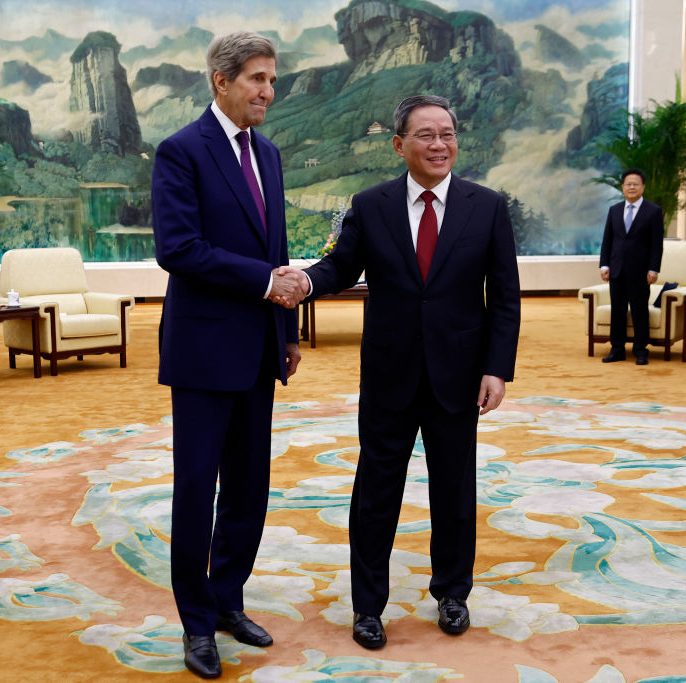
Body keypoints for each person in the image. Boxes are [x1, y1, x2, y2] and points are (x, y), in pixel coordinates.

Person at [282, 95, 520, 650]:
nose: (439, 145)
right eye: (426, 135)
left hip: (458, 374)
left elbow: (505, 296)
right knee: (376, 493)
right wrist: (305, 282)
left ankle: (453, 592)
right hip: (389, 373)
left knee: (454, 491)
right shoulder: (371, 205)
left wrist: (497, 368)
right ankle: (368, 606)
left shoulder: (487, 206)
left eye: (447, 134)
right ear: (399, 145)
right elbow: (341, 266)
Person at [151, 31, 305, 679]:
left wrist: (287, 329)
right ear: (221, 81)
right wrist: (267, 284)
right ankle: (195, 623)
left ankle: (226, 601)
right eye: (257, 79)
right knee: (196, 489)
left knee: (247, 488)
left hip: (259, 346)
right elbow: (178, 249)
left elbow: (276, 246)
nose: (268, 91)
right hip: (203, 349)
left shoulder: (267, 152)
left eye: (272, 80)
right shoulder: (181, 151)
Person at [598, 168, 664, 365]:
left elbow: (657, 244)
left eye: (636, 184)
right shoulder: (615, 210)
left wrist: (653, 268)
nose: (632, 187)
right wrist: (604, 265)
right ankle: (617, 349)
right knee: (617, 311)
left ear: (643, 187)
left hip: (640, 271)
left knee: (639, 311)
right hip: (617, 269)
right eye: (628, 184)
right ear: (622, 187)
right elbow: (607, 240)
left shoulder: (653, 211)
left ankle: (641, 350)